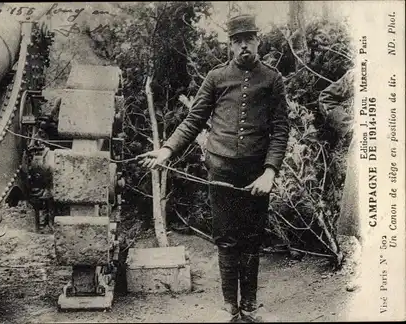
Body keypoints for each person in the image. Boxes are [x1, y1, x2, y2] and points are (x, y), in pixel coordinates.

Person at [138, 14, 289, 323]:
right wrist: (166, 150)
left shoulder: (272, 79)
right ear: (230, 45)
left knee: (251, 238)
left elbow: (281, 131)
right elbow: (193, 121)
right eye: (237, 41)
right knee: (226, 238)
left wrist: (270, 172)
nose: (244, 46)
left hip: (256, 174)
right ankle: (229, 308)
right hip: (220, 172)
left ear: (258, 41)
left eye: (249, 39)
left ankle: (249, 307)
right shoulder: (216, 77)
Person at [318, 69, 361, 291]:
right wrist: (349, 125)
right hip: (367, 148)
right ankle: (369, 269)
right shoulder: (361, 70)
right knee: (362, 212)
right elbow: (326, 97)